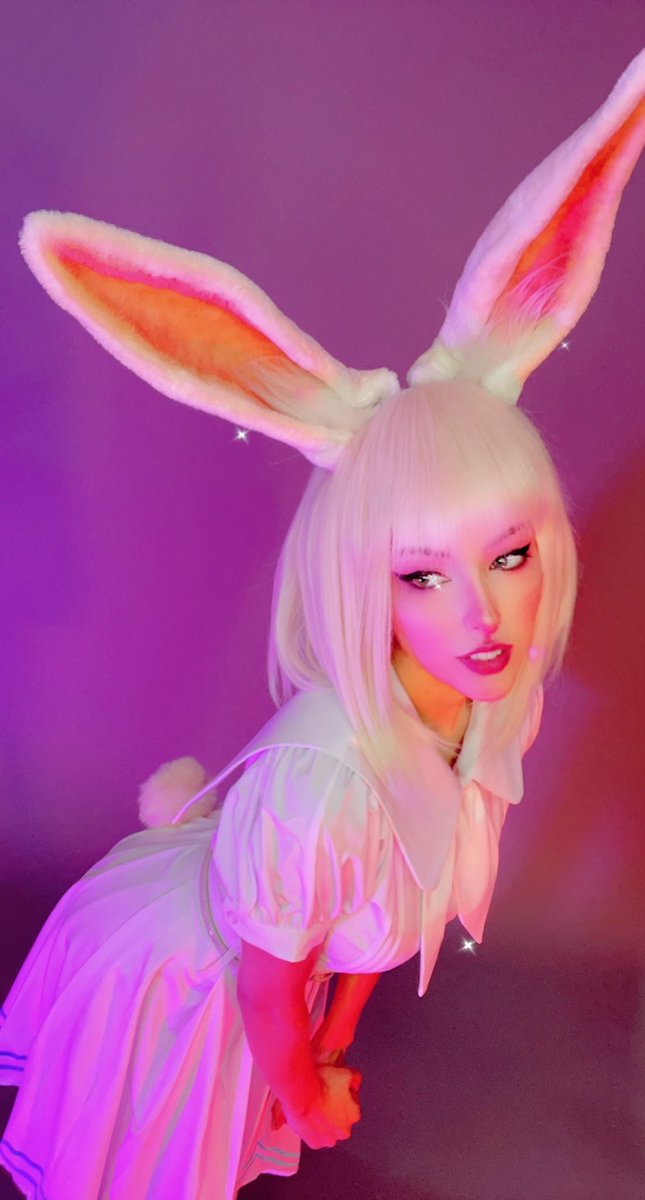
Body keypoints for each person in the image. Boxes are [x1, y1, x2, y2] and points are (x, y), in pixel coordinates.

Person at [1, 49, 644, 1200]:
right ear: (364, 581)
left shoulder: (479, 719)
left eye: (509, 557)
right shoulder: (323, 789)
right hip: (186, 987)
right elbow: (264, 981)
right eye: (422, 576)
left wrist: (329, 1040)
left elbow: (386, 909)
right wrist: (305, 1094)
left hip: (270, 976)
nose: (483, 614)